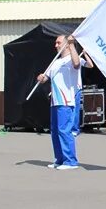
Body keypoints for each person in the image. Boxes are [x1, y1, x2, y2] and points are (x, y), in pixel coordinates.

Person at [36, 35, 94, 170]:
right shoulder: (55, 62)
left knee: (64, 130)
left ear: (66, 44)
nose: (55, 45)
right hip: (55, 101)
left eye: (58, 42)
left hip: (66, 100)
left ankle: (71, 161)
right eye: (56, 43)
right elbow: (46, 77)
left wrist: (72, 44)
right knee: (55, 131)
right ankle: (59, 159)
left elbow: (77, 64)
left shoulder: (73, 59)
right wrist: (42, 77)